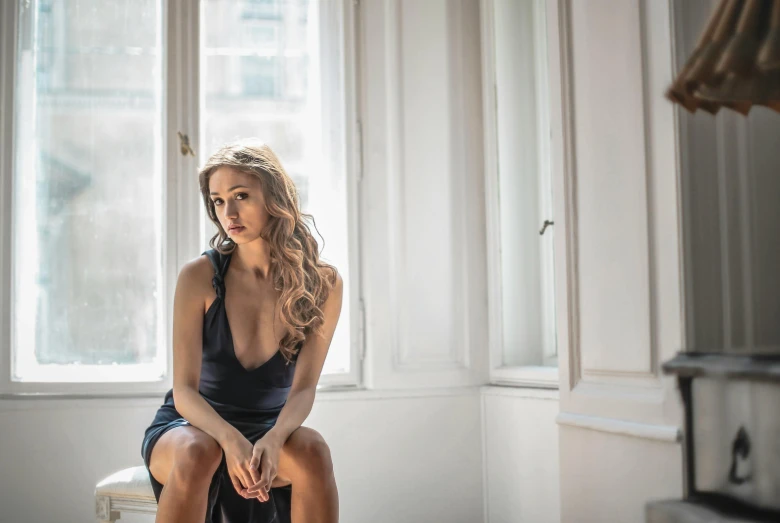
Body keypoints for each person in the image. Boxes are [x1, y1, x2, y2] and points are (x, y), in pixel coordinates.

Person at [140, 140, 343, 523]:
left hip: (269, 426)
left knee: (314, 450)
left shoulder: (324, 283)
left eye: (241, 196)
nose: (228, 212)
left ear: (274, 197)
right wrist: (230, 440)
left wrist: (276, 436)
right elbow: (184, 391)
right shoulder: (198, 277)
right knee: (200, 452)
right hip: (193, 425)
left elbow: (303, 389)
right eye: (217, 201)